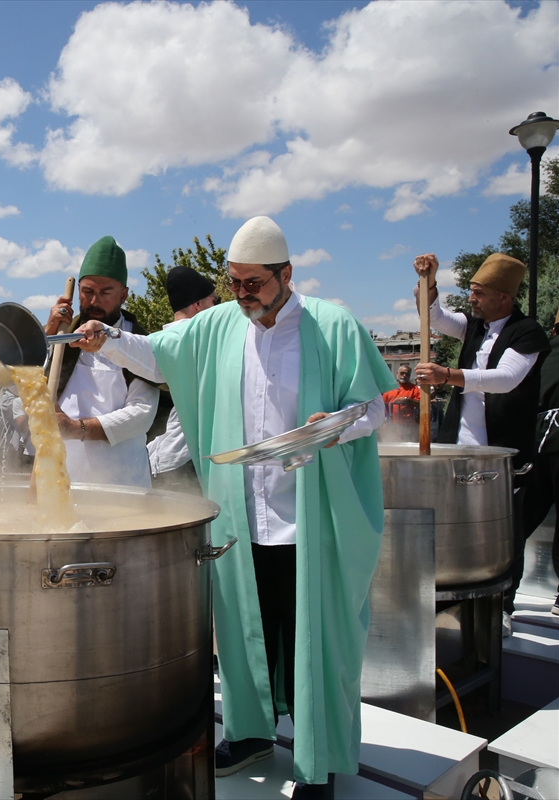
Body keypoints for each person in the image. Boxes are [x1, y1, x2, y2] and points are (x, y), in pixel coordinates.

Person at [73, 216, 392, 798]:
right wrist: (109, 338)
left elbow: (375, 410)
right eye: (236, 282)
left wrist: (334, 428)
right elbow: (157, 355)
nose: (243, 294)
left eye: (254, 284)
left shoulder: (333, 324)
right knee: (247, 633)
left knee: (313, 642)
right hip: (243, 516)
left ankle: (316, 760)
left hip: (311, 518)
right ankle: (251, 733)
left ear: (285, 274)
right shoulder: (217, 325)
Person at [412, 253, 550, 634]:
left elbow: (506, 378)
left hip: (503, 451)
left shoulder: (528, 333)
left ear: (503, 297)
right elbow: (435, 318)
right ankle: (453, 603)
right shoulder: (474, 326)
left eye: (478, 292)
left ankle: (501, 604)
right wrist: (431, 282)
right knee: (455, 528)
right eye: (471, 291)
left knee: (506, 531)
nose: (471, 299)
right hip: (459, 449)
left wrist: (449, 375)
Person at [46, 236, 159, 488]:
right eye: (87, 292)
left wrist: (77, 429)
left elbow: (142, 414)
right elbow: (27, 383)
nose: (95, 301)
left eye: (105, 293)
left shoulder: (139, 344)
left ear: (124, 295)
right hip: (65, 479)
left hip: (123, 482)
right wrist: (50, 332)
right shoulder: (64, 336)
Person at [146, 266, 217, 492]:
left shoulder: (160, 343)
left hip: (162, 459)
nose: (218, 308)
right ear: (198, 305)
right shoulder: (201, 340)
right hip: (185, 461)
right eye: (214, 302)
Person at [536, 308, 559, 615]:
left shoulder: (545, 352)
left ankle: (504, 598)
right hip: (548, 443)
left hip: (536, 441)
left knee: (523, 517)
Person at [381, 365, 422, 432]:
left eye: (407, 374)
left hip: (408, 426)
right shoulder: (389, 388)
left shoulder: (414, 389)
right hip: (392, 425)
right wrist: (384, 422)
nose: (404, 375)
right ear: (397, 373)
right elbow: (383, 407)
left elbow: (421, 404)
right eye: (402, 373)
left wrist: (408, 400)